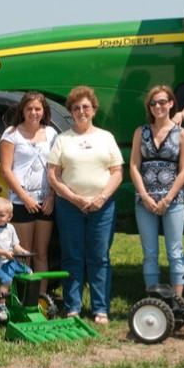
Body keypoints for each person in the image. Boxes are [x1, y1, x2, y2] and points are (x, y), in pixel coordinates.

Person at [47, 85, 123, 325]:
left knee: (99, 257)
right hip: (70, 207)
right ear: (71, 111)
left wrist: (100, 198)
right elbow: (53, 175)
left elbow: (117, 172)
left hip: (103, 207)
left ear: (94, 109)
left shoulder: (106, 137)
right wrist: (75, 198)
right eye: (77, 107)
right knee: (72, 256)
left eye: (86, 107)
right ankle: (73, 307)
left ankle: (100, 309)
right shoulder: (62, 140)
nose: (81, 111)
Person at [129, 85, 184, 297]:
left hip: (172, 202)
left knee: (175, 251)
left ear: (171, 104)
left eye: (163, 102)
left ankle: (177, 300)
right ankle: (153, 299)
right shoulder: (141, 132)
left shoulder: (182, 134)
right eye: (153, 103)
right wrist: (145, 196)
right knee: (150, 253)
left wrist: (168, 198)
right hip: (144, 202)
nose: (158, 107)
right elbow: (134, 166)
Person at [0, 92, 57, 294]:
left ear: (44, 111)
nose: (33, 112)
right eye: (29, 109)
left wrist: (51, 196)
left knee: (41, 254)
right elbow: (6, 170)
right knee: (24, 254)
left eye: (37, 109)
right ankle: (21, 298)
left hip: (46, 202)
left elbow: (55, 168)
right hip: (21, 202)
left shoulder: (51, 134)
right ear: (22, 110)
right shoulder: (11, 134)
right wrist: (25, 198)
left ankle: (40, 298)